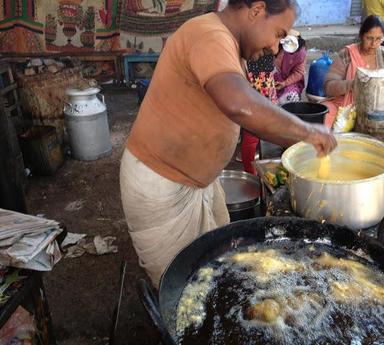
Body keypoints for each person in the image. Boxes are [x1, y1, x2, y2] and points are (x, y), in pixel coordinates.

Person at [119, 0, 337, 287]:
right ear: (257, 10)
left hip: (198, 183)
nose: (275, 48)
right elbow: (239, 104)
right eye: (278, 34)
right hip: (161, 185)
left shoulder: (228, 42)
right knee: (180, 287)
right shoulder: (210, 35)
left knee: (213, 271)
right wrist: (309, 132)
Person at [322, 15, 384, 127]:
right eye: (369, 38)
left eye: (378, 39)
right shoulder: (347, 54)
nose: (373, 44)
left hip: (377, 109)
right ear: (361, 36)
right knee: (324, 116)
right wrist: (351, 84)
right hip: (346, 107)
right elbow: (328, 86)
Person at [241, 55, 278, 175]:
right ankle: (251, 175)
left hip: (265, 82)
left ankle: (256, 173)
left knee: (265, 135)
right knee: (252, 135)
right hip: (254, 83)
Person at [274, 30, 307, 104]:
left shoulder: (300, 53)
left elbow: (298, 72)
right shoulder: (274, 46)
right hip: (273, 79)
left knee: (290, 97)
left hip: (290, 81)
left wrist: (284, 83)